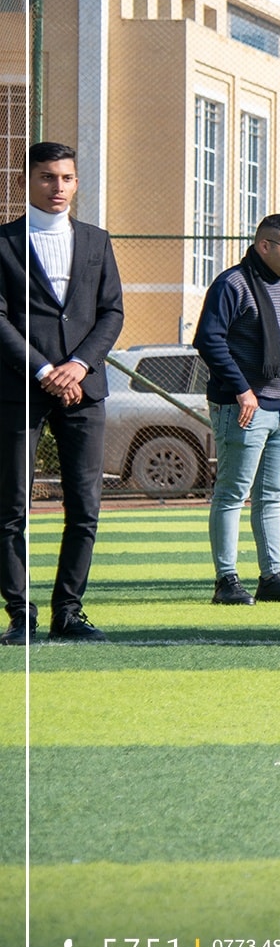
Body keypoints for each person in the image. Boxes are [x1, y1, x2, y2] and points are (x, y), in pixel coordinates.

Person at [0, 141, 123, 643]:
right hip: (18, 387)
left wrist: (77, 366)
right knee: (12, 508)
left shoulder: (96, 240)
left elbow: (111, 312)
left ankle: (68, 613)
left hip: (84, 388)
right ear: (25, 181)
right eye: (47, 177)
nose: (58, 187)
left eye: (67, 178)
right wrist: (45, 369)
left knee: (85, 507)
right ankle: (20, 615)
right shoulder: (4, 241)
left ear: (76, 182)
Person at [192, 212, 280, 607]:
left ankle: (272, 577)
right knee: (232, 493)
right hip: (243, 407)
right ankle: (226, 581)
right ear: (264, 245)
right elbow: (208, 340)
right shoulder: (232, 283)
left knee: (271, 497)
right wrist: (243, 390)